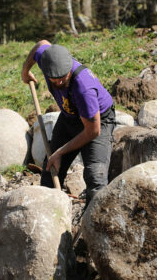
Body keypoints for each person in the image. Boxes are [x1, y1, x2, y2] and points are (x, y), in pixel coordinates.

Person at [21, 40, 116, 205]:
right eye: (53, 78)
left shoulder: (83, 88)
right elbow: (41, 44)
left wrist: (59, 152)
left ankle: (91, 226)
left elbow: (92, 131)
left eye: (62, 77)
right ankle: (50, 215)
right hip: (70, 117)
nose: (57, 82)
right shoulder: (48, 60)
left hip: (97, 122)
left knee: (95, 178)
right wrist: (25, 71)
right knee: (49, 170)